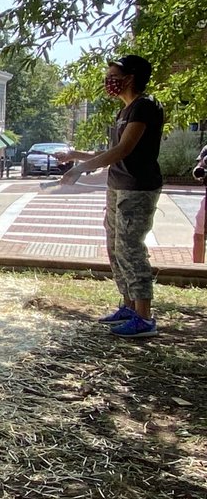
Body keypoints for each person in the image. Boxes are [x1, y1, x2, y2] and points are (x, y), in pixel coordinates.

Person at [58, 55, 164, 338]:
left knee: (131, 247)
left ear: (130, 78)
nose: (108, 81)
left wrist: (80, 170)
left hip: (138, 188)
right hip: (118, 186)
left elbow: (123, 151)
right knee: (116, 247)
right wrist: (75, 156)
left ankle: (144, 317)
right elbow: (109, 153)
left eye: (112, 75)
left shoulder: (144, 107)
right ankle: (128, 309)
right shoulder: (125, 111)